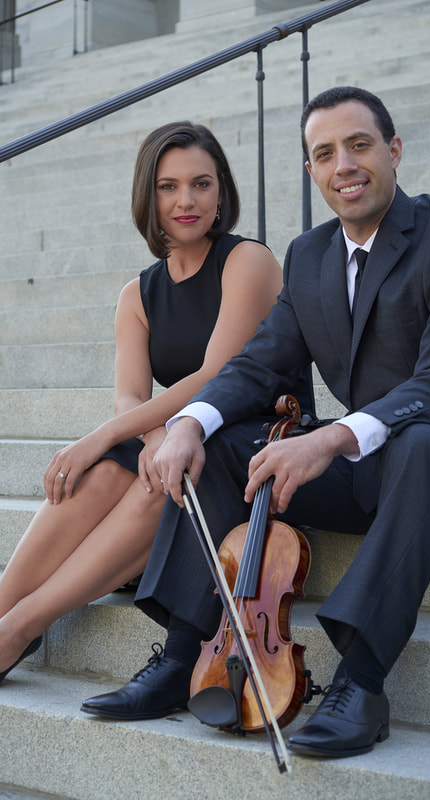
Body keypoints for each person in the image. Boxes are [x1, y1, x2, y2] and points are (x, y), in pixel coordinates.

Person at [81, 87, 430, 759]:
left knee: (425, 443)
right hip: (373, 467)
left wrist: (331, 437)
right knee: (226, 442)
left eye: (359, 145)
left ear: (393, 151)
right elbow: (259, 364)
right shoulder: (312, 254)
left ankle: (360, 682)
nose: (344, 165)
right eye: (325, 153)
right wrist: (188, 423)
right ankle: (181, 657)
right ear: (311, 171)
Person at [0, 120, 302, 686]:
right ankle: (3, 615)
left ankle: (19, 627)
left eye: (201, 184)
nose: (186, 200)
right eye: (168, 186)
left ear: (221, 193)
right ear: (148, 195)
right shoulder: (136, 294)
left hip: (250, 440)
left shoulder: (248, 261)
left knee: (146, 480)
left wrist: (104, 436)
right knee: (100, 477)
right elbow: (131, 395)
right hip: (181, 434)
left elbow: (218, 374)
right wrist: (149, 434)